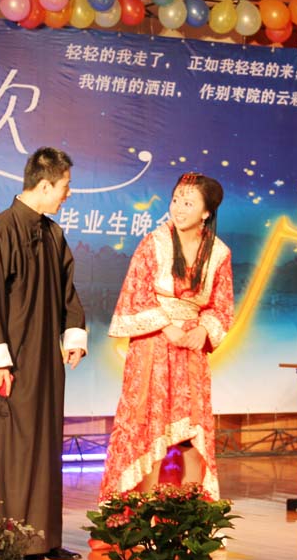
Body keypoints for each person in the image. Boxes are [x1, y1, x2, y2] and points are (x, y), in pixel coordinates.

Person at [0, 147, 87, 560]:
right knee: (11, 445)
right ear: (45, 185)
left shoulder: (54, 234)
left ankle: (44, 538)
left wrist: (74, 334)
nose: (68, 194)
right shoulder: (0, 230)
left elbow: (68, 291)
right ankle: (3, 539)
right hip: (12, 359)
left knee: (44, 445)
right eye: (65, 186)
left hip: (45, 363)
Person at [99, 173, 234, 503]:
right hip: (153, 346)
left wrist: (203, 330)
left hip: (191, 350)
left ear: (206, 212)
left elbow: (222, 304)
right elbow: (137, 291)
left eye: (189, 203)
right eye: (176, 200)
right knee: (149, 428)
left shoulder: (218, 253)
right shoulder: (153, 243)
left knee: (190, 434)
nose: (179, 208)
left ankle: (189, 511)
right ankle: (139, 511)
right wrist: (166, 326)